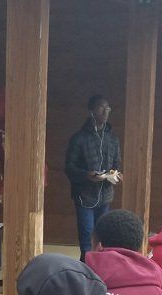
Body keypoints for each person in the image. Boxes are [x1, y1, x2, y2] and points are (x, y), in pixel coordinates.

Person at [65, 94, 122, 262]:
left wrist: (115, 174)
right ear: (91, 111)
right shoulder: (79, 139)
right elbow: (69, 167)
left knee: (102, 233)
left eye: (108, 108)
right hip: (84, 195)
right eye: (101, 108)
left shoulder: (112, 139)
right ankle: (85, 267)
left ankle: (99, 268)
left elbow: (117, 163)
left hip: (105, 195)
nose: (105, 111)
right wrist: (86, 175)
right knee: (87, 234)